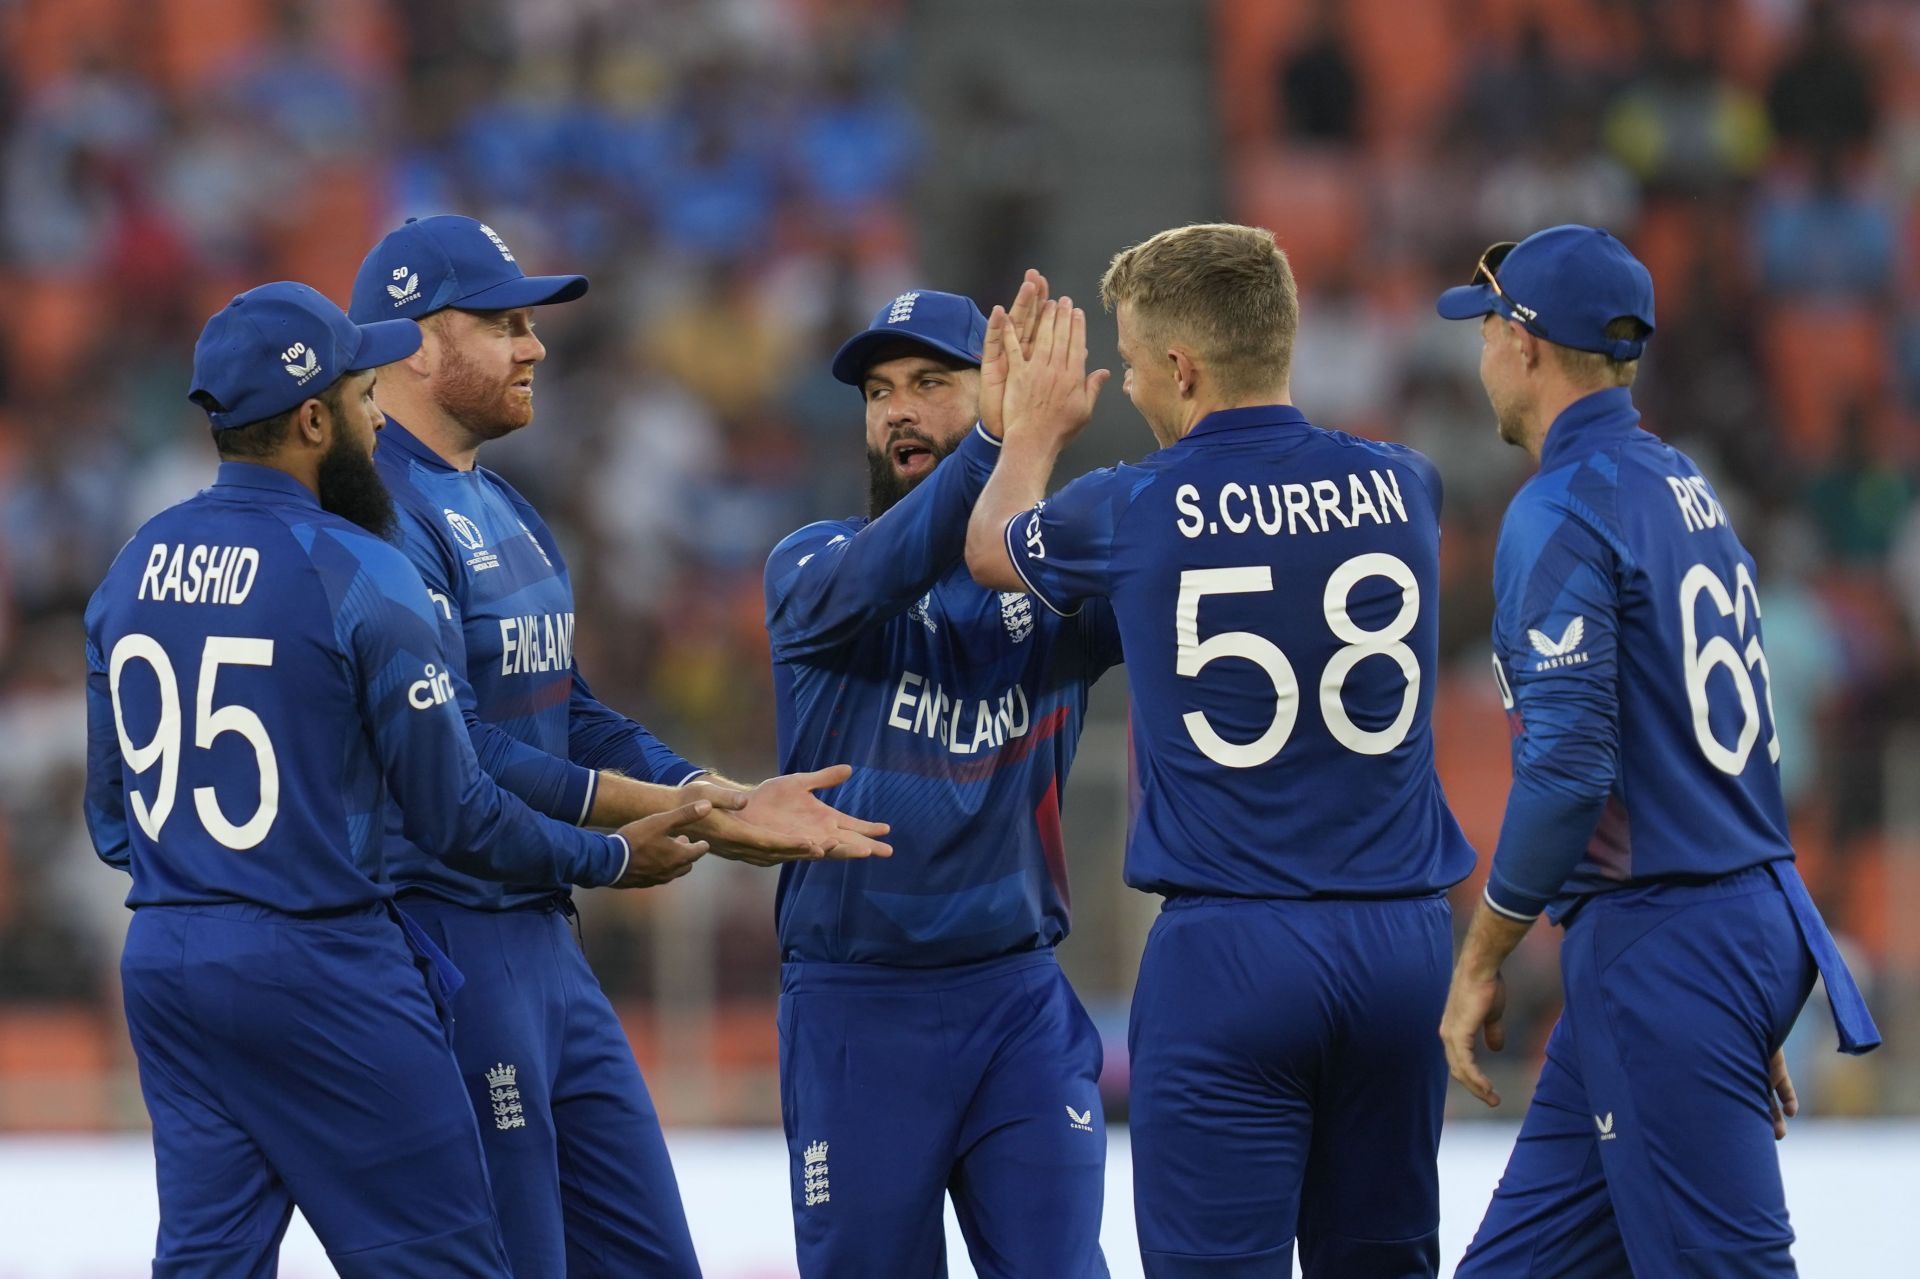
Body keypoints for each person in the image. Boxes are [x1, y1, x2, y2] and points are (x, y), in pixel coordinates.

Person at [82, 282, 713, 1277]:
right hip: (321, 960)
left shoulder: (133, 565)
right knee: (449, 1261)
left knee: (207, 1261)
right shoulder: (358, 568)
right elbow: (458, 814)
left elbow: (112, 820)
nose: (380, 424)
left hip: (166, 959)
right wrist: (609, 857)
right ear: (311, 418)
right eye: (366, 399)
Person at [347, 214, 891, 1277]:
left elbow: (573, 710)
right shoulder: (378, 520)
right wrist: (675, 819)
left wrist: (707, 790)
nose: (535, 345)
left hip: (546, 945)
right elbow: (462, 758)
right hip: (444, 937)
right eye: (504, 323)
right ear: (415, 342)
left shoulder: (504, 503)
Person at [966, 223, 1476, 1277]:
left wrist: (1027, 433)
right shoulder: (1406, 487)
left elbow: (989, 547)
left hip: (1234, 948)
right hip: (1402, 946)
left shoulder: (1137, 504)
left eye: (1137, 363)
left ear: (1182, 367)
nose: (1137, 390)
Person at [1432, 224, 1882, 1276]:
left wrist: (1484, 956)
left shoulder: (1559, 507)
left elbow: (1571, 770)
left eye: (1489, 325)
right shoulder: (1685, 485)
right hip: (1720, 920)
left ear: (1528, 344)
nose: (1481, 349)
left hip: (1666, 944)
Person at [763, 276, 1122, 1277]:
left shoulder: (1059, 585)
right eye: (880, 393)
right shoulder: (812, 565)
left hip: (1016, 1002)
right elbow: (897, 565)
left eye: (930, 382)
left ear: (998, 390)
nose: (900, 411)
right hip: (856, 1010)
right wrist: (998, 447)